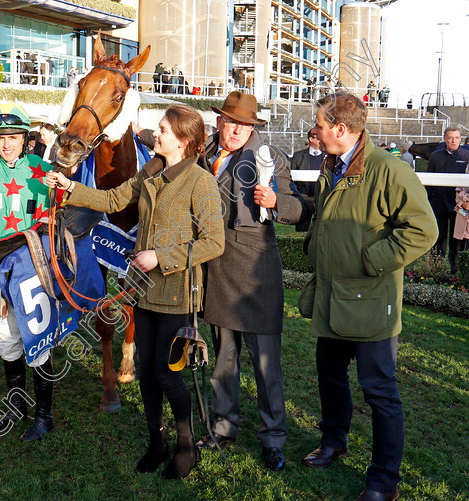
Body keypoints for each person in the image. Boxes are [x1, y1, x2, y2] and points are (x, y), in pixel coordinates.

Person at [46, 104, 225, 477]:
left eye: (161, 131)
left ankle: (186, 447)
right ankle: (156, 441)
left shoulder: (200, 181)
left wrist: (161, 256)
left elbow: (213, 242)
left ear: (184, 140)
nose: (153, 134)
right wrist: (70, 188)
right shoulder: (152, 170)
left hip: (177, 294)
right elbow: (113, 200)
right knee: (146, 374)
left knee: (167, 374)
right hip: (143, 292)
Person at [135, 92, 309, 470]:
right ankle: (224, 428)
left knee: (266, 364)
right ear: (218, 122)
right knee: (223, 360)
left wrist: (277, 201)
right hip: (211, 268)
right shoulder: (203, 152)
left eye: (244, 125)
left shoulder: (271, 159)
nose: (235, 131)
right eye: (230, 122)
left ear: (253, 128)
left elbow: (299, 210)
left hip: (254, 272)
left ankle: (273, 438)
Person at [300, 92, 437, 501]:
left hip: (371, 304)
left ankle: (383, 482)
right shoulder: (333, 166)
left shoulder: (389, 170)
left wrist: (371, 260)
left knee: (380, 393)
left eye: (320, 125)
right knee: (329, 375)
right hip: (332, 299)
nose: (315, 132)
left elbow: (423, 229)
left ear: (340, 129)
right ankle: (334, 441)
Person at [0, 103, 65, 442]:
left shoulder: (44, 170)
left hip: (36, 268)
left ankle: (44, 416)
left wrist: (59, 199)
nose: (7, 144)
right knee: (6, 339)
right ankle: (17, 407)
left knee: (38, 338)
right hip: (1, 270)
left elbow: (65, 212)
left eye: (14, 137)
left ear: (25, 139)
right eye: (1, 138)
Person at [427, 126, 468, 275]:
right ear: (445, 139)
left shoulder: (466, 156)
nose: (453, 141)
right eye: (450, 137)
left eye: (456, 138)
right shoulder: (435, 156)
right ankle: (434, 270)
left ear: (460, 139)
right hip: (438, 205)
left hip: (460, 208)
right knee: (438, 238)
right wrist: (428, 203)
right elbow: (428, 183)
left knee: (457, 241)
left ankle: (455, 272)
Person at [290, 129, 326, 232]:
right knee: (302, 230)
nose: (321, 140)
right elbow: (291, 178)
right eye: (318, 137)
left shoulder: (329, 156)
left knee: (320, 230)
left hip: (321, 197)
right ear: (311, 139)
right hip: (303, 198)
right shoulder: (298, 156)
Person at [454, 187, 469, 253]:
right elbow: (457, 195)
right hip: (463, 214)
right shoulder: (463, 178)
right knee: (462, 246)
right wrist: (462, 203)